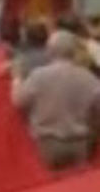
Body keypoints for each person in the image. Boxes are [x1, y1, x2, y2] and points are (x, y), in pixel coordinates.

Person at [11, 31, 100, 172]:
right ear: (73, 51)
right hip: (79, 142)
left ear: (50, 51)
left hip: (47, 143)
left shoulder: (39, 77)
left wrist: (16, 78)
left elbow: (18, 101)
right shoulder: (88, 78)